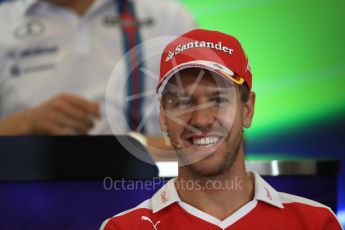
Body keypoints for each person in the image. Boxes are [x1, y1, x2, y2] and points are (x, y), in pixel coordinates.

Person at [100, 29, 343, 229]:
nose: (202, 119)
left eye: (218, 100)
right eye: (184, 102)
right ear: (163, 117)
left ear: (247, 110)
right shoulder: (124, 228)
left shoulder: (315, 223)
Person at [0, 0, 196, 136]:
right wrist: (26, 123)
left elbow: (211, 111)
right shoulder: (4, 22)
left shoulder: (168, 17)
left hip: (145, 183)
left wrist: (140, 146)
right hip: (24, 185)